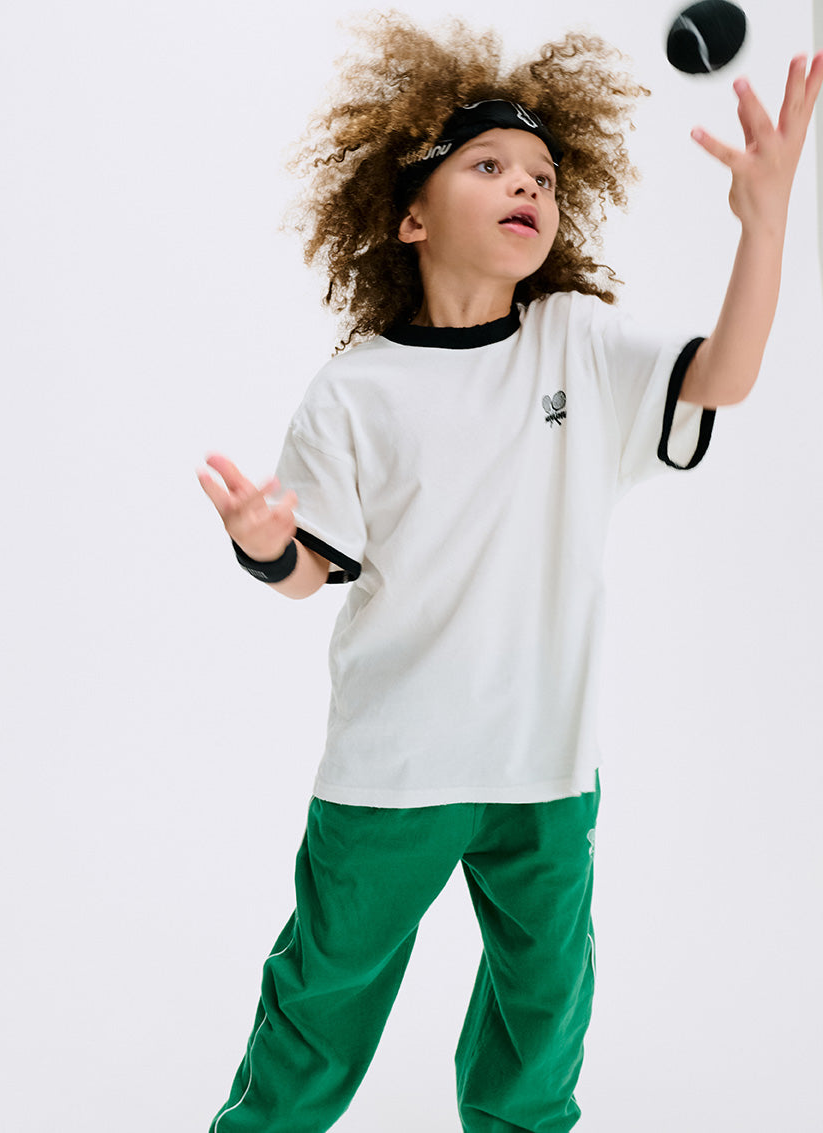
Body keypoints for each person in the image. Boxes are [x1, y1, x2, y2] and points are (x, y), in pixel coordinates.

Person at [197, 14, 823, 1132]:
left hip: (545, 764)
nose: (526, 184)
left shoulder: (575, 340)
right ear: (409, 215)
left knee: (542, 1016)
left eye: (542, 175)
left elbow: (722, 378)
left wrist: (764, 227)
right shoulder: (357, 390)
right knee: (323, 998)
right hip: (392, 772)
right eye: (487, 165)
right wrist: (262, 541)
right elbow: (308, 572)